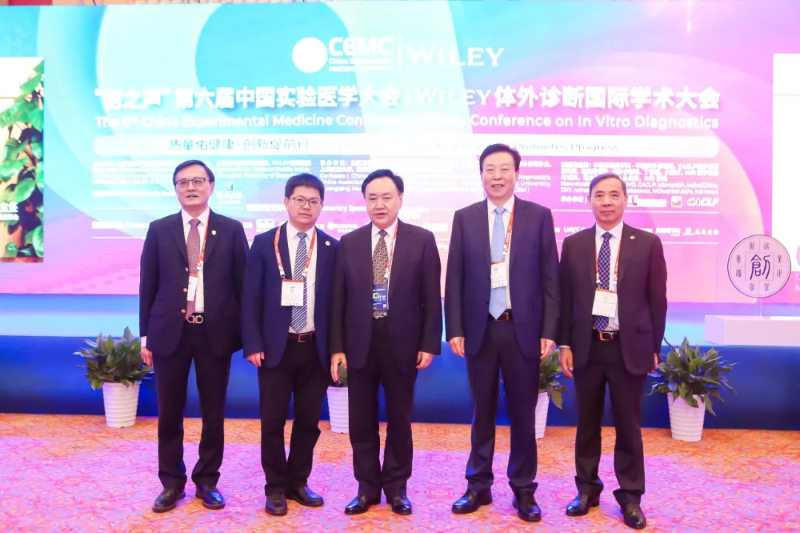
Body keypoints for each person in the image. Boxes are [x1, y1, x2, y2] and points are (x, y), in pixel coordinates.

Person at [445, 143, 559, 523]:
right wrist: (454, 327)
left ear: (516, 174)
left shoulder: (538, 216)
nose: (497, 176)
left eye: (504, 169)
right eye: (490, 169)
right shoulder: (465, 217)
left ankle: (524, 489)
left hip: (522, 330)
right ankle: (478, 485)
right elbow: (455, 276)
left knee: (524, 415)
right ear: (481, 174)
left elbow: (550, 277)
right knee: (482, 412)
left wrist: (549, 329)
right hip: (480, 330)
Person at [329, 169, 442, 516]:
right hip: (359, 345)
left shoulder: (422, 240)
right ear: (364, 202)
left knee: (400, 420)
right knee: (361, 421)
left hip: (403, 345)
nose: (379, 204)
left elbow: (431, 297)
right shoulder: (349, 242)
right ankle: (366, 488)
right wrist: (337, 347)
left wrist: (429, 343)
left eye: (386, 197)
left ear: (400, 199)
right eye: (372, 198)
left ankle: (396, 488)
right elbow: (338, 300)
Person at [558, 172, 667, 530]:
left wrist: (654, 347)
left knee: (629, 426)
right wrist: (565, 344)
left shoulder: (647, 243)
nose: (606, 201)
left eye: (614, 195)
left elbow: (657, 300)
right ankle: (586, 490)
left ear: (625, 200)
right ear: (589, 200)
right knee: (586, 424)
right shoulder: (574, 244)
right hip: (588, 346)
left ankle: (631, 496)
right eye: (599, 195)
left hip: (628, 348)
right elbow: (566, 300)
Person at [139, 160, 248, 513]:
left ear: (211, 186)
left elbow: (243, 286)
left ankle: (207, 480)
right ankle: (171, 483)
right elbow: (148, 285)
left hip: (214, 333)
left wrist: (247, 334)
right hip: (170, 333)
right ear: (175, 188)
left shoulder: (231, 229)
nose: (190, 187)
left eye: (198, 181)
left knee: (213, 412)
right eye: (183, 182)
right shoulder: (159, 229)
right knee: (169, 412)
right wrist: (145, 336)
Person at [241, 173, 339, 516]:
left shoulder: (332, 248)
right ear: (286, 202)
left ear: (322, 206)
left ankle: (298, 481)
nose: (306, 206)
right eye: (299, 199)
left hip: (315, 348)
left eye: (313, 201)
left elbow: (337, 305)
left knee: (309, 422)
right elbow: (250, 298)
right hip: (274, 349)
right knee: (272, 422)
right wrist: (252, 343)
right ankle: (275, 487)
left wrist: (336, 349)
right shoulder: (263, 243)